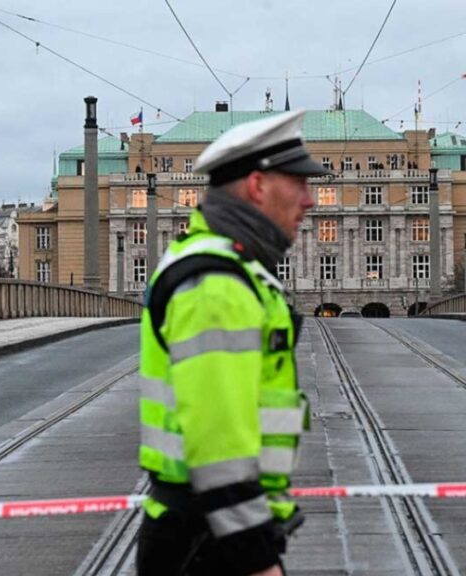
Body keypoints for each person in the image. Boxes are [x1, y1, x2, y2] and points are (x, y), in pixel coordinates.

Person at [136, 110, 326, 576]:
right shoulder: (217, 285)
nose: (311, 200)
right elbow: (219, 444)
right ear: (258, 186)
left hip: (209, 531)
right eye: (298, 183)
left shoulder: (224, 266)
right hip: (210, 541)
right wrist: (258, 562)